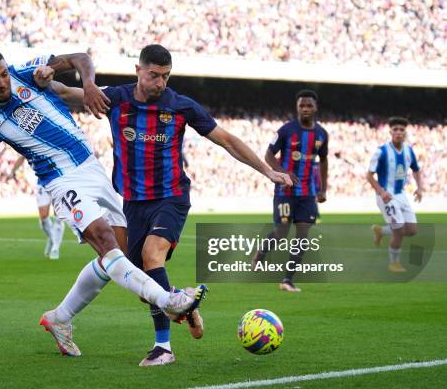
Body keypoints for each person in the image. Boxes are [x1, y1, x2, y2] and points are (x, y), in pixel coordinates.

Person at [0, 48, 205, 359]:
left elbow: (81, 57)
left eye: (4, 74)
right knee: (105, 242)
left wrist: (89, 84)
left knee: (118, 259)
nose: (1, 83)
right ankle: (168, 301)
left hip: (92, 169)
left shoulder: (27, 74)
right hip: (59, 181)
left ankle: (60, 318)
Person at [39, 44, 292, 366]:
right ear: (138, 71)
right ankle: (182, 302)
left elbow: (227, 140)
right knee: (141, 280)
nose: (160, 83)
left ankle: (163, 348)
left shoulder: (181, 106)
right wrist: (45, 77)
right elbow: (63, 93)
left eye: (166, 76)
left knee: (151, 255)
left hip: (171, 197)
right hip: (132, 203)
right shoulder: (117, 99)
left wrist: (268, 170)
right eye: (154, 75)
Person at [253, 90, 329, 293]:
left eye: (309, 105)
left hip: (308, 194)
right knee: (282, 232)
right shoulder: (286, 130)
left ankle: (287, 279)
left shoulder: (322, 134)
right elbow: (269, 155)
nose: (305, 109)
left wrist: (323, 189)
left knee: (303, 236)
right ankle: (261, 253)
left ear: (315, 107)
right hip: (285, 192)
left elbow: (323, 161)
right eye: (301, 105)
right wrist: (283, 173)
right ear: (297, 107)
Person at [367, 117, 423, 272]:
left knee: (411, 230)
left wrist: (420, 188)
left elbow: (416, 170)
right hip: (386, 196)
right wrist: (381, 191)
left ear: (405, 132)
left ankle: (381, 230)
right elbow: (369, 175)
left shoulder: (408, 150)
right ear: (390, 131)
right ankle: (394, 263)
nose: (398, 132)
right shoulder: (381, 151)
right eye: (395, 129)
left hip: (401, 194)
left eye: (401, 129)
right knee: (398, 230)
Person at [11, 155, 64, 259]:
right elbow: (22, 156)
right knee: (43, 216)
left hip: (59, 181)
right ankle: (52, 238)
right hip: (42, 183)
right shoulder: (32, 144)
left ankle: (55, 248)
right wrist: (13, 170)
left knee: (58, 215)